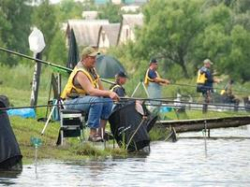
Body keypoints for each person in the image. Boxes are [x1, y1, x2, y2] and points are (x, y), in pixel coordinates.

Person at [61, 47, 119, 142]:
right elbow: (91, 91)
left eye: (95, 57)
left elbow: (101, 89)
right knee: (96, 101)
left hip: (84, 100)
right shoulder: (80, 72)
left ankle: (101, 132)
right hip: (71, 101)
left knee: (108, 101)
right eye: (92, 58)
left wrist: (111, 95)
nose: (95, 60)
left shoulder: (92, 70)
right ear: (85, 58)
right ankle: (92, 134)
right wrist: (109, 92)